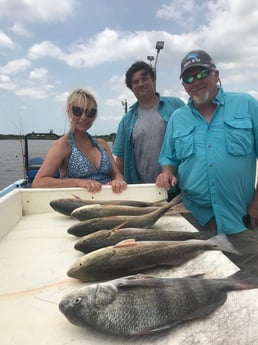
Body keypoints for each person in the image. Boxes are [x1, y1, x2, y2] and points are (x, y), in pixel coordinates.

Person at [156, 49, 258, 276]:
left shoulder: (247, 104)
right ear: (184, 86)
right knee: (202, 284)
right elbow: (168, 158)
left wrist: (257, 204)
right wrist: (167, 173)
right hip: (194, 223)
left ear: (216, 74)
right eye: (188, 79)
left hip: (241, 222)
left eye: (201, 74)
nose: (195, 82)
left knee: (253, 285)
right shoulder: (177, 118)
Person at [112, 60, 184, 199]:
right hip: (140, 193)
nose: (141, 84)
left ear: (154, 80)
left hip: (175, 191)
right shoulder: (126, 120)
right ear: (131, 87)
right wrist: (118, 178)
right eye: (135, 82)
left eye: (144, 79)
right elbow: (119, 159)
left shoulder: (176, 105)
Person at [32, 88, 127, 194]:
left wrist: (118, 180)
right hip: (78, 204)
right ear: (69, 111)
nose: (83, 117)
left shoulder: (102, 144)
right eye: (78, 111)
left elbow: (116, 173)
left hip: (109, 201)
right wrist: (79, 182)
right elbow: (39, 182)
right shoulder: (63, 145)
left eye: (90, 113)